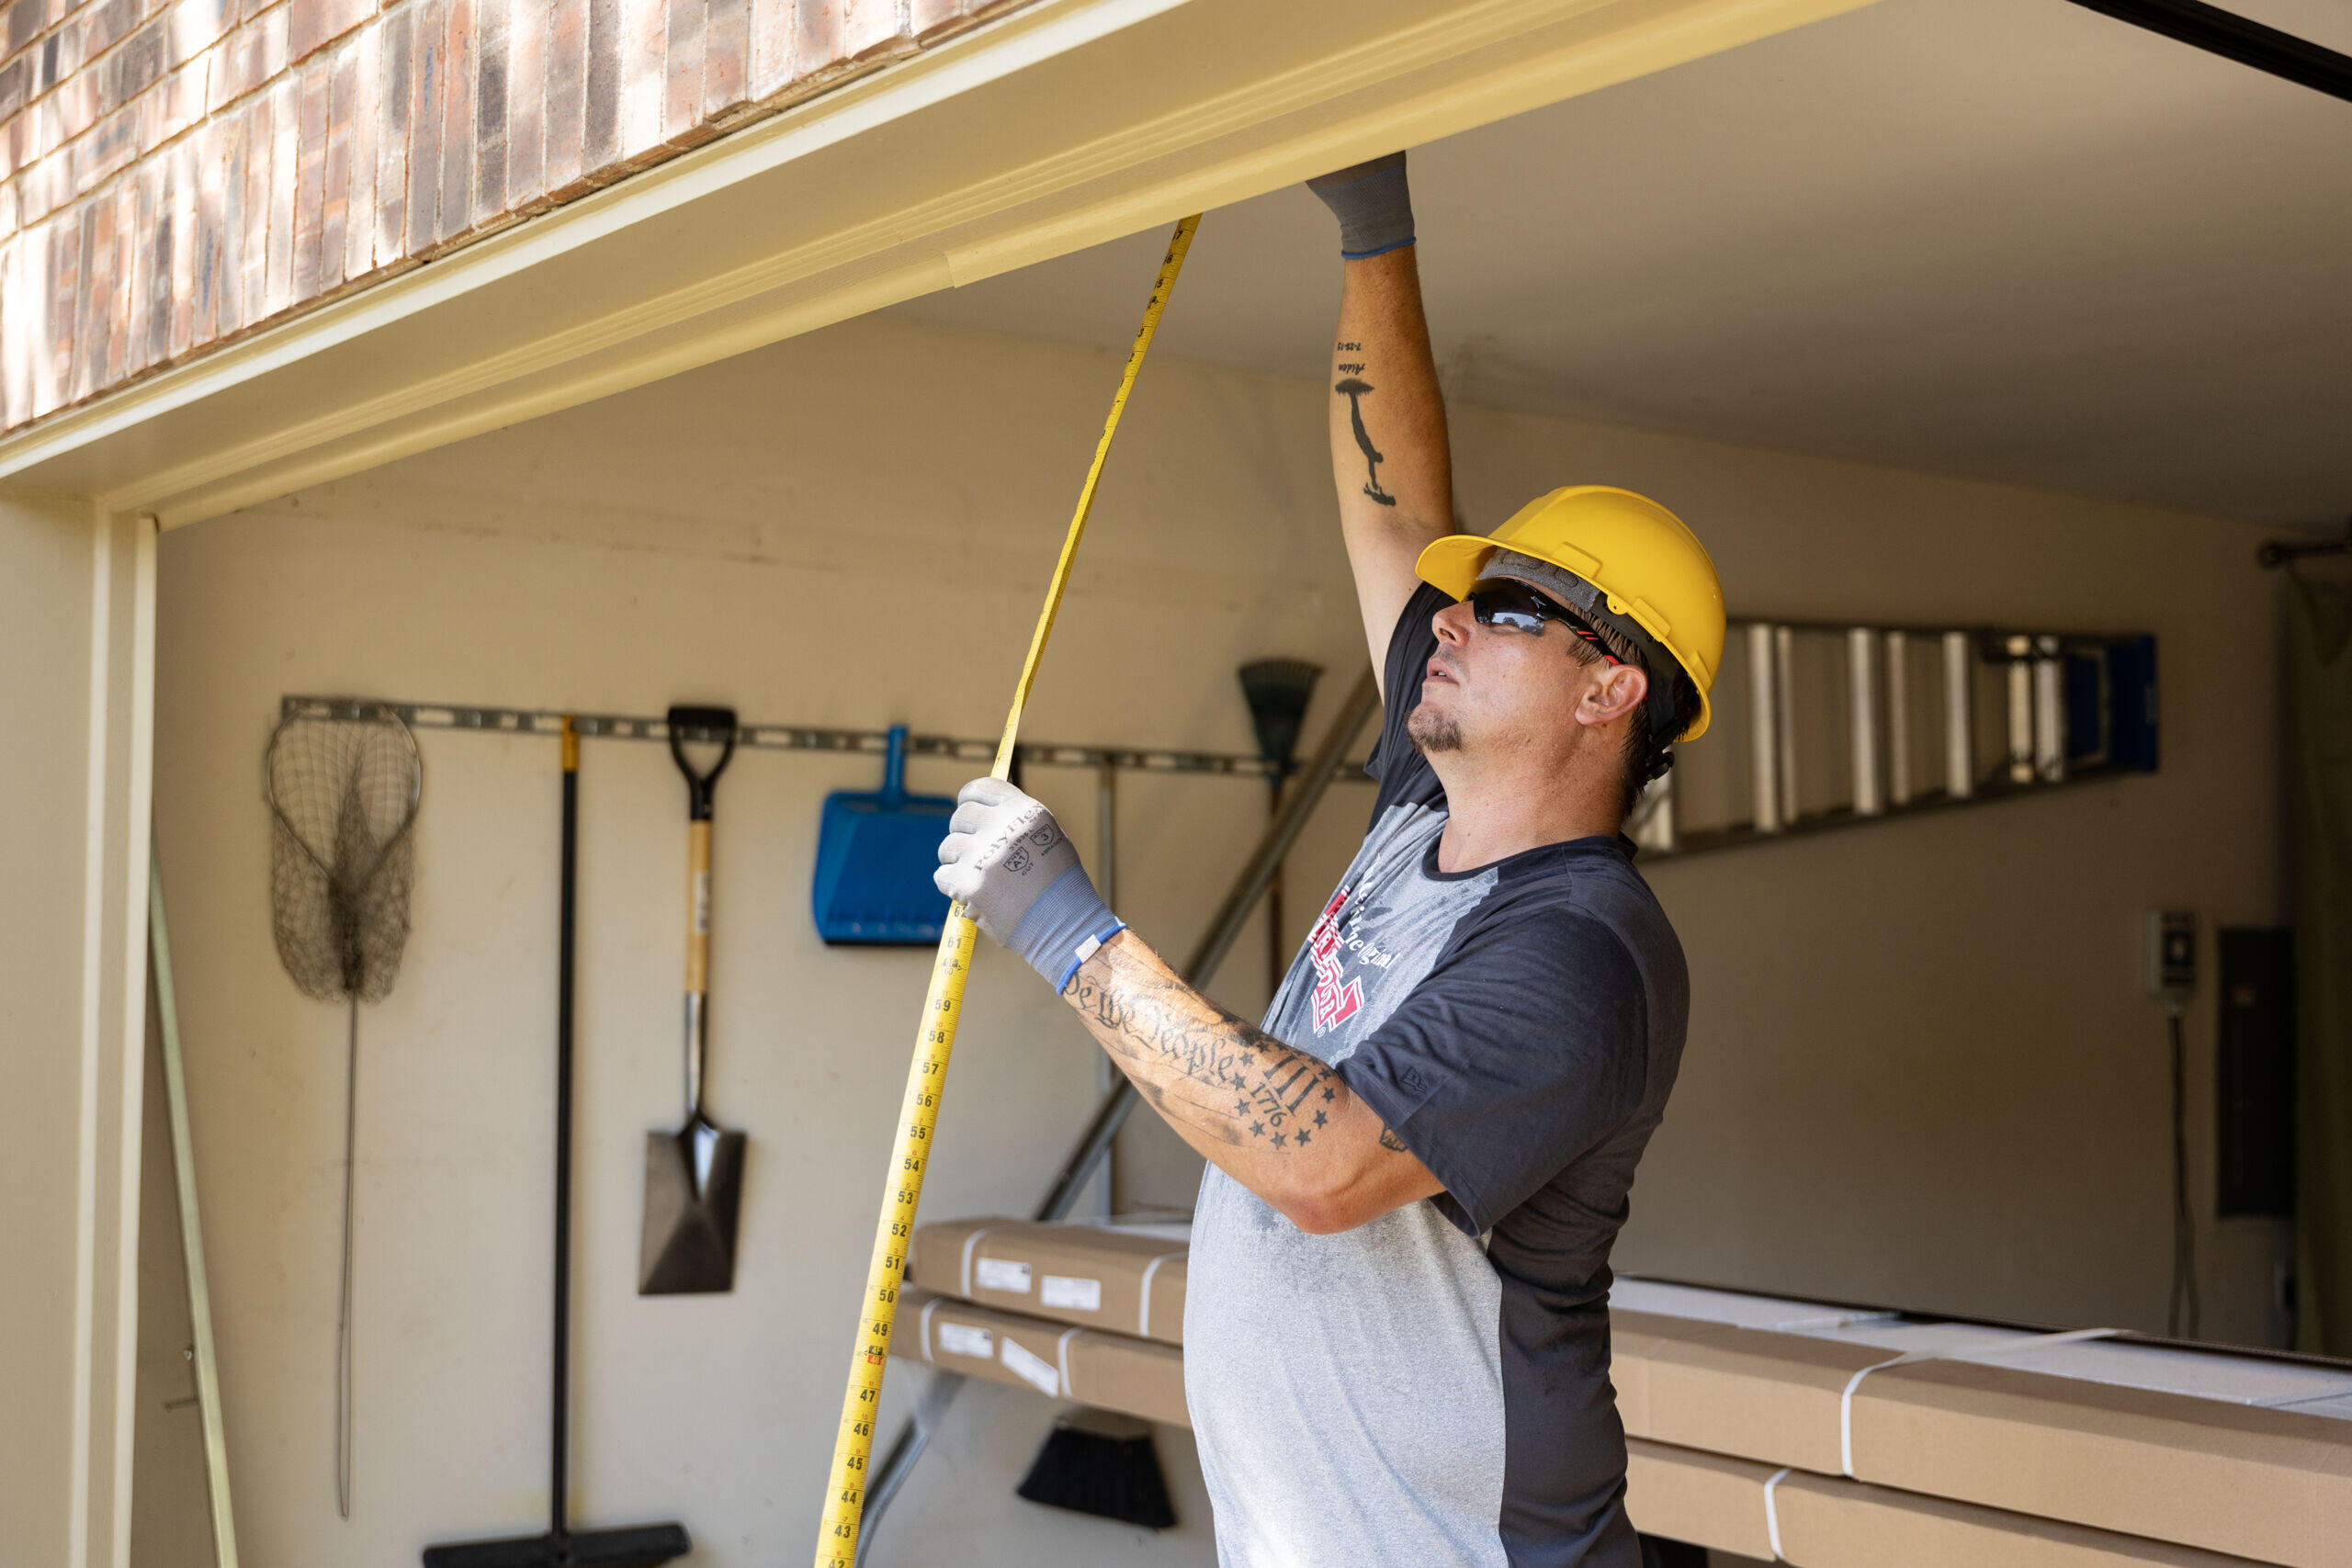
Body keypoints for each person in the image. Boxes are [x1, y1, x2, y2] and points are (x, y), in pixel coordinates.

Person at [934, 152, 1725, 1568]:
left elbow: (1326, 1166)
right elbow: (1394, 512)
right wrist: (1375, 223)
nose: (1454, 620)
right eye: (1464, 606)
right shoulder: (1430, 804)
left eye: (1510, 614)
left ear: (1610, 690)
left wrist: (1063, 928)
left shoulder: (1583, 954)